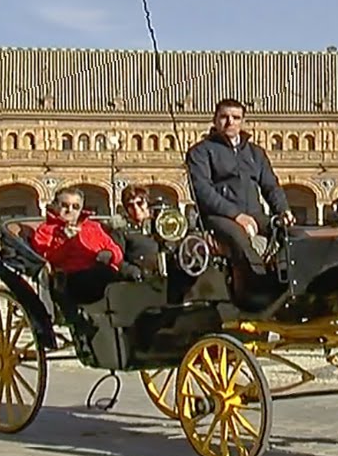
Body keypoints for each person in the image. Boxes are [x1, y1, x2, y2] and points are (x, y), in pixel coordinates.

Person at [185, 98, 294, 306]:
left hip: (254, 213)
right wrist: (236, 215)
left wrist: (283, 211)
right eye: (224, 117)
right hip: (219, 217)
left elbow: (270, 185)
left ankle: (288, 285)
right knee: (238, 236)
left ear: (243, 121)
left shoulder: (255, 153)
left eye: (235, 118)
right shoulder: (201, 152)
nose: (230, 122)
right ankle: (257, 290)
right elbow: (202, 192)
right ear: (215, 120)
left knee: (291, 234)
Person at [31, 186, 125, 304]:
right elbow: (48, 259)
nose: (69, 210)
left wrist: (110, 254)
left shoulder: (93, 227)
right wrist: (65, 240)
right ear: (55, 206)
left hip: (101, 271)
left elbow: (115, 250)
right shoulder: (46, 230)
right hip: (70, 278)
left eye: (75, 207)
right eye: (64, 205)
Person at [118, 185, 159, 281]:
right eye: (130, 205)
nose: (136, 208)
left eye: (140, 203)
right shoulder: (123, 232)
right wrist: (133, 271)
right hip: (140, 280)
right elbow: (118, 260)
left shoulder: (161, 225)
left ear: (147, 204)